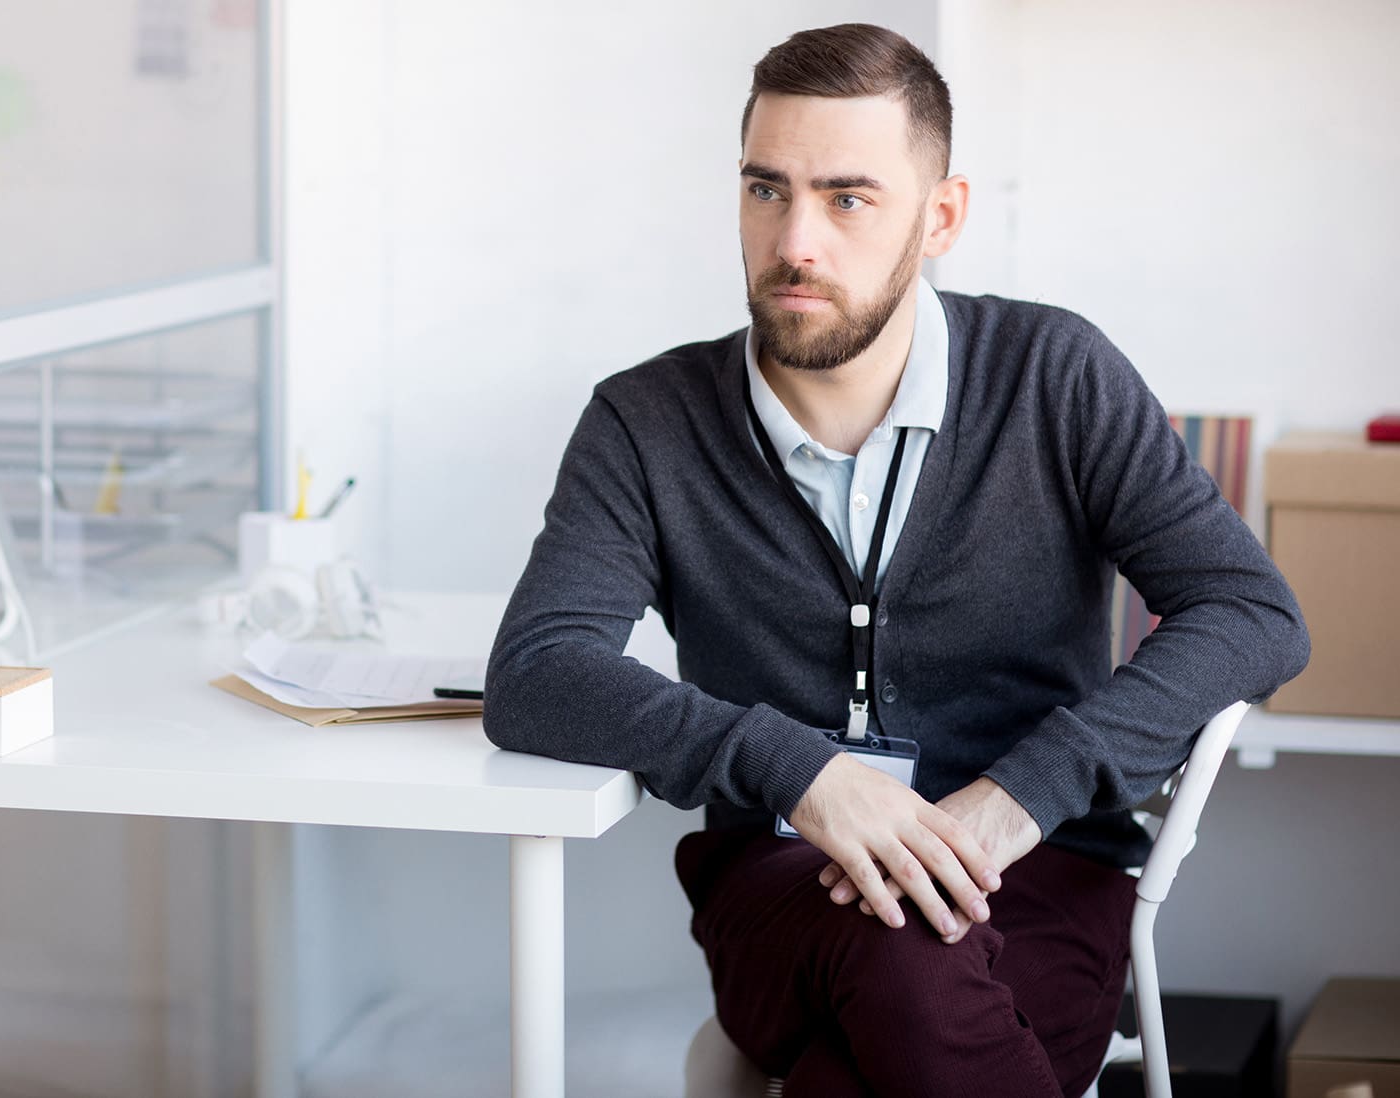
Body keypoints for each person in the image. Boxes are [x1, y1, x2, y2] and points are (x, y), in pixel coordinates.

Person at [483, 22, 1309, 1097]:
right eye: (766, 190)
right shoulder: (647, 422)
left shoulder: (1053, 377)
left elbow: (1252, 612)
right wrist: (798, 771)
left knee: (871, 1042)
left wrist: (1017, 795)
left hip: (1039, 874)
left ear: (943, 217)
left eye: (848, 197)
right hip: (783, 887)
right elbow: (539, 669)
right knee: (896, 948)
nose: (797, 242)